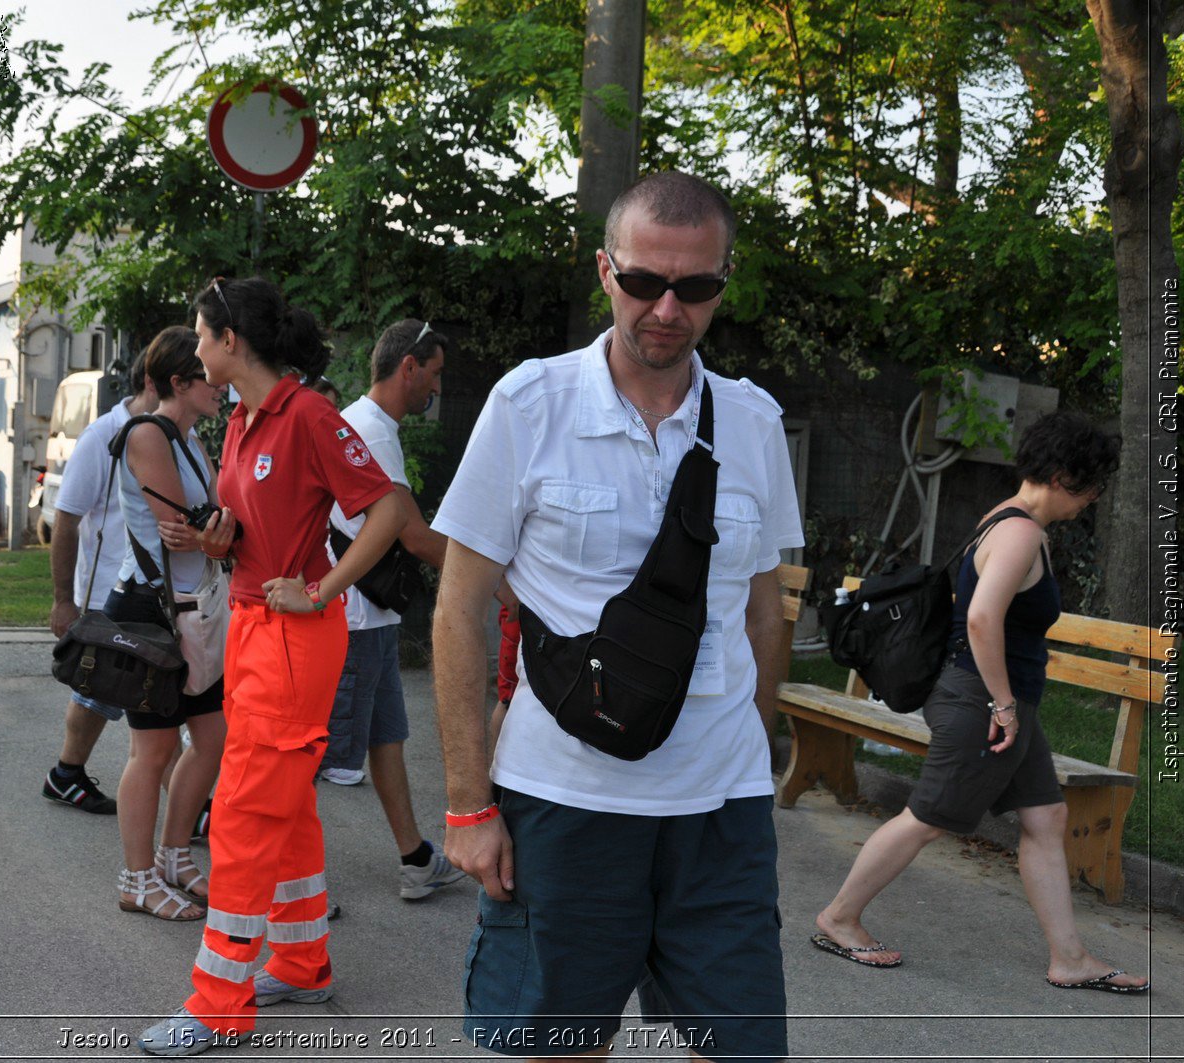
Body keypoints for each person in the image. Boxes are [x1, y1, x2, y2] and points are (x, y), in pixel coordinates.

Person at [431, 172, 802, 1062]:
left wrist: (747, 755)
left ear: (723, 283)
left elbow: (764, 610)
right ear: (606, 272)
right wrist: (467, 803)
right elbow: (460, 607)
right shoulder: (530, 405)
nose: (667, 308)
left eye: (695, 286)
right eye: (644, 282)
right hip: (565, 800)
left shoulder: (753, 423)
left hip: (719, 811)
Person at [138, 277, 406, 1056]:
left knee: (249, 814)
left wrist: (321, 585)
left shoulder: (310, 414)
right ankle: (300, 959)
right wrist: (225, 542)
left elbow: (388, 508)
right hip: (256, 628)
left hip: (294, 636)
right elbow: (261, 525)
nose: (193, 347)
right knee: (282, 806)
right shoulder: (246, 417)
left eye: (199, 334)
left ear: (230, 341)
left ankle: (219, 1004)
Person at [812, 411, 1146, 993]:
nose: (1091, 501)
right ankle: (839, 918)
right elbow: (982, 617)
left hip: (994, 699)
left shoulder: (1002, 518)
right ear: (1066, 476)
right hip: (983, 702)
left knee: (1047, 818)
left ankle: (1069, 958)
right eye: (1092, 489)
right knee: (928, 818)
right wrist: (1003, 706)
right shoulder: (1020, 533)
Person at [314, 318, 467, 901]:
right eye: (433, 374)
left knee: (386, 741)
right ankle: (289, 883)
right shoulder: (372, 433)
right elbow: (417, 538)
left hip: (368, 618)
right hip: (354, 620)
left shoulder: (368, 424)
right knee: (318, 761)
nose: (435, 388)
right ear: (409, 367)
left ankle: (416, 860)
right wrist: (498, 579)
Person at [110, 330, 229, 921]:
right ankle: (137, 880)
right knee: (152, 749)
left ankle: (175, 857)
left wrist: (212, 528)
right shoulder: (149, 433)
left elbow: (209, 525)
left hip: (193, 609)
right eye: (209, 377)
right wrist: (213, 529)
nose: (221, 387)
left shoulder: (188, 439)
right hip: (151, 610)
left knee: (211, 739)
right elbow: (185, 525)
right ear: (179, 382)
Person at [45, 353, 160, 814]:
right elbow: (66, 521)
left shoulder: (172, 434)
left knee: (127, 694)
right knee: (100, 692)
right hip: (108, 593)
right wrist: (62, 601)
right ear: (153, 381)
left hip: (152, 590)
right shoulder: (102, 436)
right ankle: (66, 774)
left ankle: (66, 775)